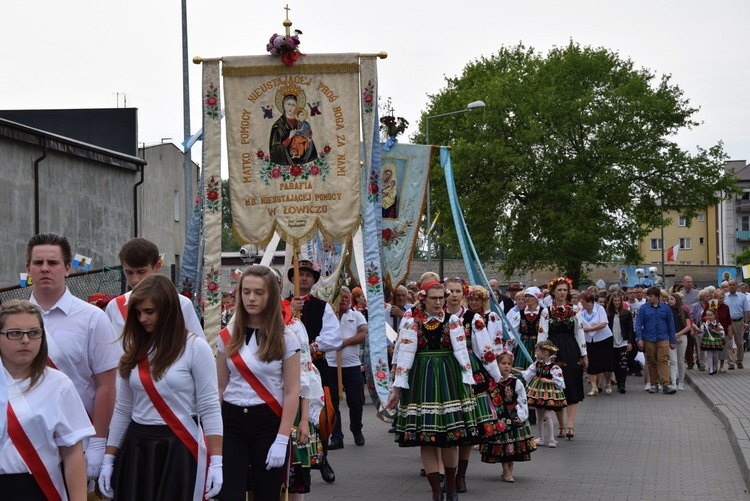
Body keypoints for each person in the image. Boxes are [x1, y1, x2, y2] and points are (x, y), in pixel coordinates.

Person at [98, 274, 222, 500]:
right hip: (137, 448)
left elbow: (210, 406)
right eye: (138, 313)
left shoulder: (196, 348)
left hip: (179, 447)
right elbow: (123, 409)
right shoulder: (133, 350)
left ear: (167, 309)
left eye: (149, 312)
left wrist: (217, 461)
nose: (142, 318)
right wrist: (109, 458)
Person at [386, 281, 498, 501]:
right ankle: (436, 491)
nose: (438, 302)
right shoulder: (412, 322)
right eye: (433, 298)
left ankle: (452, 486)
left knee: (451, 435)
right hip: (422, 380)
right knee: (427, 438)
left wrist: (487, 377)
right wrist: (397, 390)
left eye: (441, 298)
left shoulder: (453, 321)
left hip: (449, 380)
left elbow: (463, 354)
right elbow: (404, 356)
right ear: (423, 299)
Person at [25, 233, 120, 484]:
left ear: (68, 268)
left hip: (78, 440)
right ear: (28, 269)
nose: (45, 268)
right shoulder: (10, 321)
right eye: (38, 263)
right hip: (24, 439)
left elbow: (106, 384)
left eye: (53, 263)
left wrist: (99, 443)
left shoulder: (93, 318)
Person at [217, 266, 300, 500]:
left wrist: (282, 438)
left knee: (266, 494)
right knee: (228, 494)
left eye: (259, 292)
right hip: (231, 422)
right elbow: (220, 388)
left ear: (271, 296)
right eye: (246, 292)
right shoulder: (226, 335)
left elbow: (293, 391)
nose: (251, 298)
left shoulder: (286, 337)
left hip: (267, 422)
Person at [0, 299, 94, 500]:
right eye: (15, 333)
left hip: (38, 489)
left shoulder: (58, 384)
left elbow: (72, 453)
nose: (25, 340)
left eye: (34, 333)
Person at [284, 260, 342, 483]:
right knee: (294, 413)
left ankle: (323, 458)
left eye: (308, 275)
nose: (304, 278)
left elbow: (334, 336)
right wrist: (289, 311)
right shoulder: (282, 305)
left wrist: (313, 346)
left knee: (323, 414)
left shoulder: (321, 306)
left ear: (314, 280)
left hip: (316, 367)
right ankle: (296, 460)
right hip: (288, 370)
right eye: (300, 275)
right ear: (292, 279)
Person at [105, 238, 205, 341]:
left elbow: (198, 348)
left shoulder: (181, 304)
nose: (135, 280)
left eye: (141, 271)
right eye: (129, 272)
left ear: (157, 266)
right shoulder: (114, 307)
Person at [456, 284, 503, 493]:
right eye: (471, 299)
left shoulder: (486, 318)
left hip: (476, 363)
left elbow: (491, 344)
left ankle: (460, 472)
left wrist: (497, 370)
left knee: (471, 409)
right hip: (452, 366)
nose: (474, 303)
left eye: (478, 300)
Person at [538, 277, 587, 440]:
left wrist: (584, 354)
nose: (562, 293)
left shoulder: (575, 310)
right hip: (553, 350)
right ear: (553, 292)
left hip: (571, 349)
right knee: (557, 387)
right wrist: (540, 355)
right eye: (559, 290)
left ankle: (571, 425)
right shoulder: (546, 311)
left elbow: (579, 332)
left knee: (572, 385)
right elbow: (542, 334)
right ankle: (561, 425)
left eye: (565, 290)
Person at [480, 349, 536, 483]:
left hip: (512, 416)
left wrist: (522, 415)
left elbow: (522, 400)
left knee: (512, 447)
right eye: (503, 363)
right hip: (498, 417)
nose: (506, 366)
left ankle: (509, 469)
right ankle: (506, 471)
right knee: (504, 446)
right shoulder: (492, 382)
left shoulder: (515, 382)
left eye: (509, 364)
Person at [327, 286, 367, 450]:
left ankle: (357, 430)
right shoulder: (328, 317)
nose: (343, 300)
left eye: (346, 297)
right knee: (333, 403)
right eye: (340, 297)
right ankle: (336, 437)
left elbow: (363, 335)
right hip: (331, 365)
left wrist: (343, 343)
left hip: (352, 366)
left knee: (356, 401)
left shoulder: (356, 315)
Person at [519, 340, 566, 448]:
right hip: (537, 392)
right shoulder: (537, 364)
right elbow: (528, 373)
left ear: (545, 352)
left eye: (538, 350)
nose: (536, 352)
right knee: (539, 415)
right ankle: (540, 438)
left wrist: (548, 381)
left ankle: (551, 438)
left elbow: (560, 381)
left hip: (548, 393)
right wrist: (518, 371)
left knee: (547, 415)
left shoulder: (554, 367)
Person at [635, 286, 677, 394]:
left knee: (663, 360)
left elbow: (671, 325)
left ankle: (666, 384)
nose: (649, 298)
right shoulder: (644, 308)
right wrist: (639, 338)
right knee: (651, 361)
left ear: (657, 297)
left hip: (663, 338)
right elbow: (639, 324)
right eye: (648, 296)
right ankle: (654, 383)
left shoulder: (666, 308)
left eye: (651, 296)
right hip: (649, 338)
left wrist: (672, 341)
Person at [578, 291, 614, 396]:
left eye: (583, 302)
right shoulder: (581, 311)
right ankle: (594, 387)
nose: (582, 304)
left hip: (604, 338)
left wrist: (589, 329)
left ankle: (607, 383)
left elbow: (603, 323)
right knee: (591, 363)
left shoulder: (600, 309)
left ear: (590, 302)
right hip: (589, 340)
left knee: (606, 362)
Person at [269, 91, 318, 165]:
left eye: (293, 105)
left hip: (303, 160)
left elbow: (308, 138)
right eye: (288, 104)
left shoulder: (301, 122)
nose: (291, 107)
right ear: (283, 105)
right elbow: (274, 152)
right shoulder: (278, 126)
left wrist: (308, 140)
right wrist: (289, 138)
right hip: (286, 162)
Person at [606, 292, 635, 394]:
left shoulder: (626, 313)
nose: (617, 302)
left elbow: (631, 328)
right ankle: (617, 382)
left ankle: (621, 385)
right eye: (615, 301)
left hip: (623, 342)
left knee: (623, 364)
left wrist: (630, 342)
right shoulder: (608, 313)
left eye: (619, 301)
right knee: (614, 364)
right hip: (612, 342)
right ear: (612, 302)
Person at [668, 293, 691, 390]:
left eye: (672, 299)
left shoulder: (683, 311)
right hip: (670, 337)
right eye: (669, 299)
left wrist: (678, 334)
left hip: (682, 336)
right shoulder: (667, 311)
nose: (670, 301)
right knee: (672, 361)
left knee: (680, 360)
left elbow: (688, 326)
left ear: (677, 300)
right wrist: (673, 335)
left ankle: (681, 381)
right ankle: (673, 382)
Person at [724, 279, 749, 369]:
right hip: (728, 323)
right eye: (730, 285)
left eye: (733, 285)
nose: (731, 286)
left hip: (738, 321)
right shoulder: (725, 297)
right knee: (729, 343)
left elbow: (746, 310)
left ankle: (739, 361)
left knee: (740, 343)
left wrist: (746, 322)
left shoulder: (742, 297)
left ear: (736, 286)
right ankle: (731, 362)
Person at [700, 304, 726, 375]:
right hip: (708, 340)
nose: (709, 317)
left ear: (714, 315)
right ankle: (710, 368)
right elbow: (701, 330)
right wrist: (700, 329)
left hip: (715, 340)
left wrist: (716, 331)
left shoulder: (717, 323)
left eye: (710, 315)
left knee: (715, 355)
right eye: (707, 315)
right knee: (709, 355)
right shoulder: (705, 324)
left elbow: (722, 332)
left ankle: (715, 367)